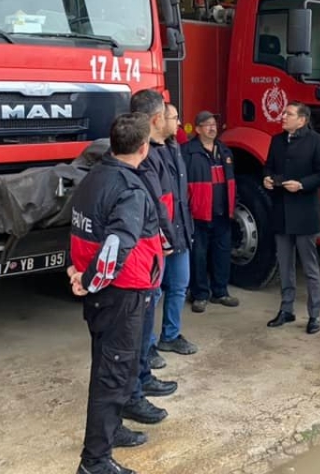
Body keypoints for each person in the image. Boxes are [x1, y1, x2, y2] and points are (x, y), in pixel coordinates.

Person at [68, 112, 164, 474]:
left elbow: (78, 227)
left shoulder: (94, 175)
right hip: (121, 293)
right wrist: (91, 279)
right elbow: (116, 244)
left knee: (107, 366)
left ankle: (112, 430)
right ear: (144, 148)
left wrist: (78, 272)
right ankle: (94, 461)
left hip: (103, 293)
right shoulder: (129, 189)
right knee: (114, 374)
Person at [121, 89, 176, 427]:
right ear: (156, 119)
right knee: (137, 325)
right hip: (144, 254)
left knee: (144, 319)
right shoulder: (142, 159)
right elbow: (155, 204)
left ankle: (142, 376)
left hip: (151, 251)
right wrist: (168, 237)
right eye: (169, 115)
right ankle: (134, 391)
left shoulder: (155, 152)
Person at [264, 102, 320, 334]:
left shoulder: (317, 141)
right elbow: (268, 166)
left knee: (310, 267)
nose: (283, 116)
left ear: (302, 120)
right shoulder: (277, 140)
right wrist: (267, 178)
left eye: (289, 114)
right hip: (281, 212)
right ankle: (286, 309)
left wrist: (302, 185)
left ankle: (314, 314)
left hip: (304, 213)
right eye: (284, 113)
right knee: (284, 265)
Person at [183, 110, 240, 312]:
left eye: (214, 124)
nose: (212, 128)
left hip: (222, 214)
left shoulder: (224, 151)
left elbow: (232, 182)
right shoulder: (187, 152)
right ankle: (199, 295)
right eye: (207, 124)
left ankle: (220, 292)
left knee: (222, 254)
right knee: (198, 256)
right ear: (197, 129)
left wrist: (233, 204)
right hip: (198, 215)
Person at [155, 104, 199, 355]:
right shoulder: (147, 152)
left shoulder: (175, 147)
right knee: (152, 293)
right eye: (174, 118)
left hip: (180, 231)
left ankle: (170, 336)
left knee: (179, 286)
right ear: (159, 120)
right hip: (159, 236)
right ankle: (146, 346)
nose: (179, 123)